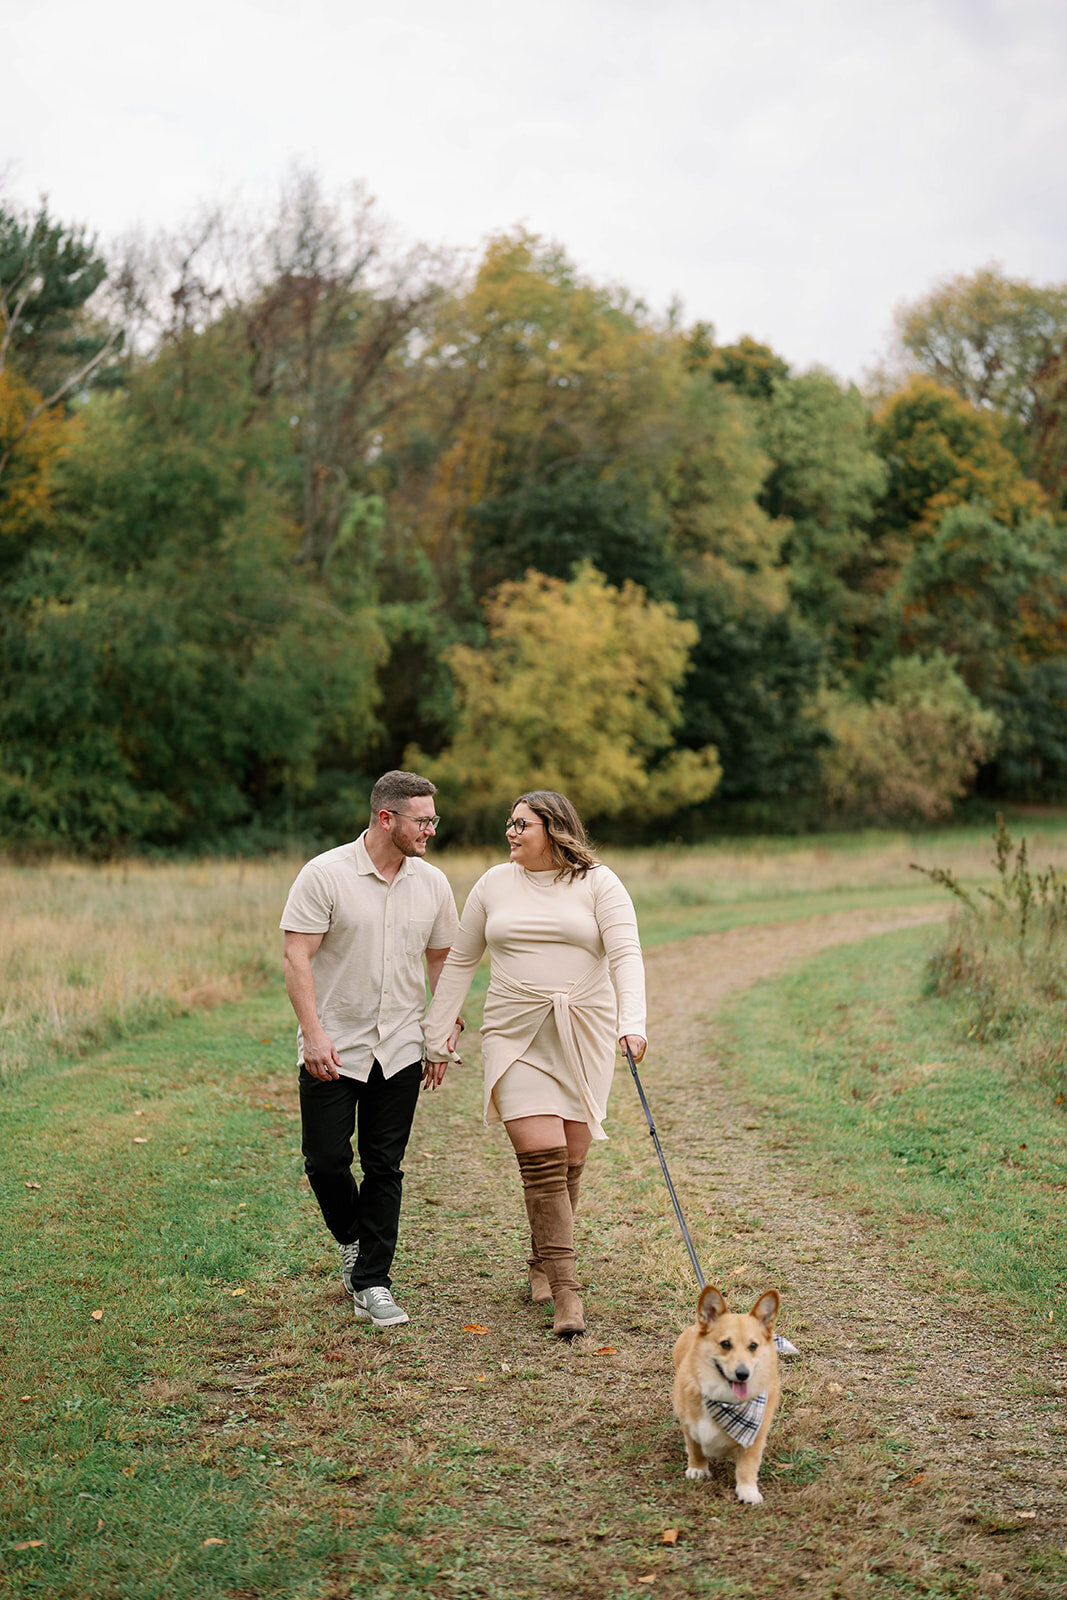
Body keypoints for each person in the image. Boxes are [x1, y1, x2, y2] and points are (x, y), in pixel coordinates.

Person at [423, 791, 647, 1338]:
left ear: (554, 827)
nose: (511, 832)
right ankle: (567, 1295)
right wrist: (436, 1035)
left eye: (522, 824)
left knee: (571, 1154)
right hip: (514, 1030)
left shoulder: (599, 882)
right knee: (541, 1155)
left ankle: (543, 1262)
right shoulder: (493, 884)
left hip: (583, 1031)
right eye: (509, 823)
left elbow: (626, 953)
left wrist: (633, 1022)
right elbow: (460, 960)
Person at [280, 771, 461, 1329]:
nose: (431, 829)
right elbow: (296, 955)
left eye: (433, 819)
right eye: (422, 820)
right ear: (388, 819)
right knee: (327, 1160)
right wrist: (313, 1032)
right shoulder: (325, 874)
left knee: (386, 1166)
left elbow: (442, 961)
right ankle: (355, 1238)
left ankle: (373, 1281)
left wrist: (442, 1029)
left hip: (402, 1046)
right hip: (335, 1045)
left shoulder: (432, 883)